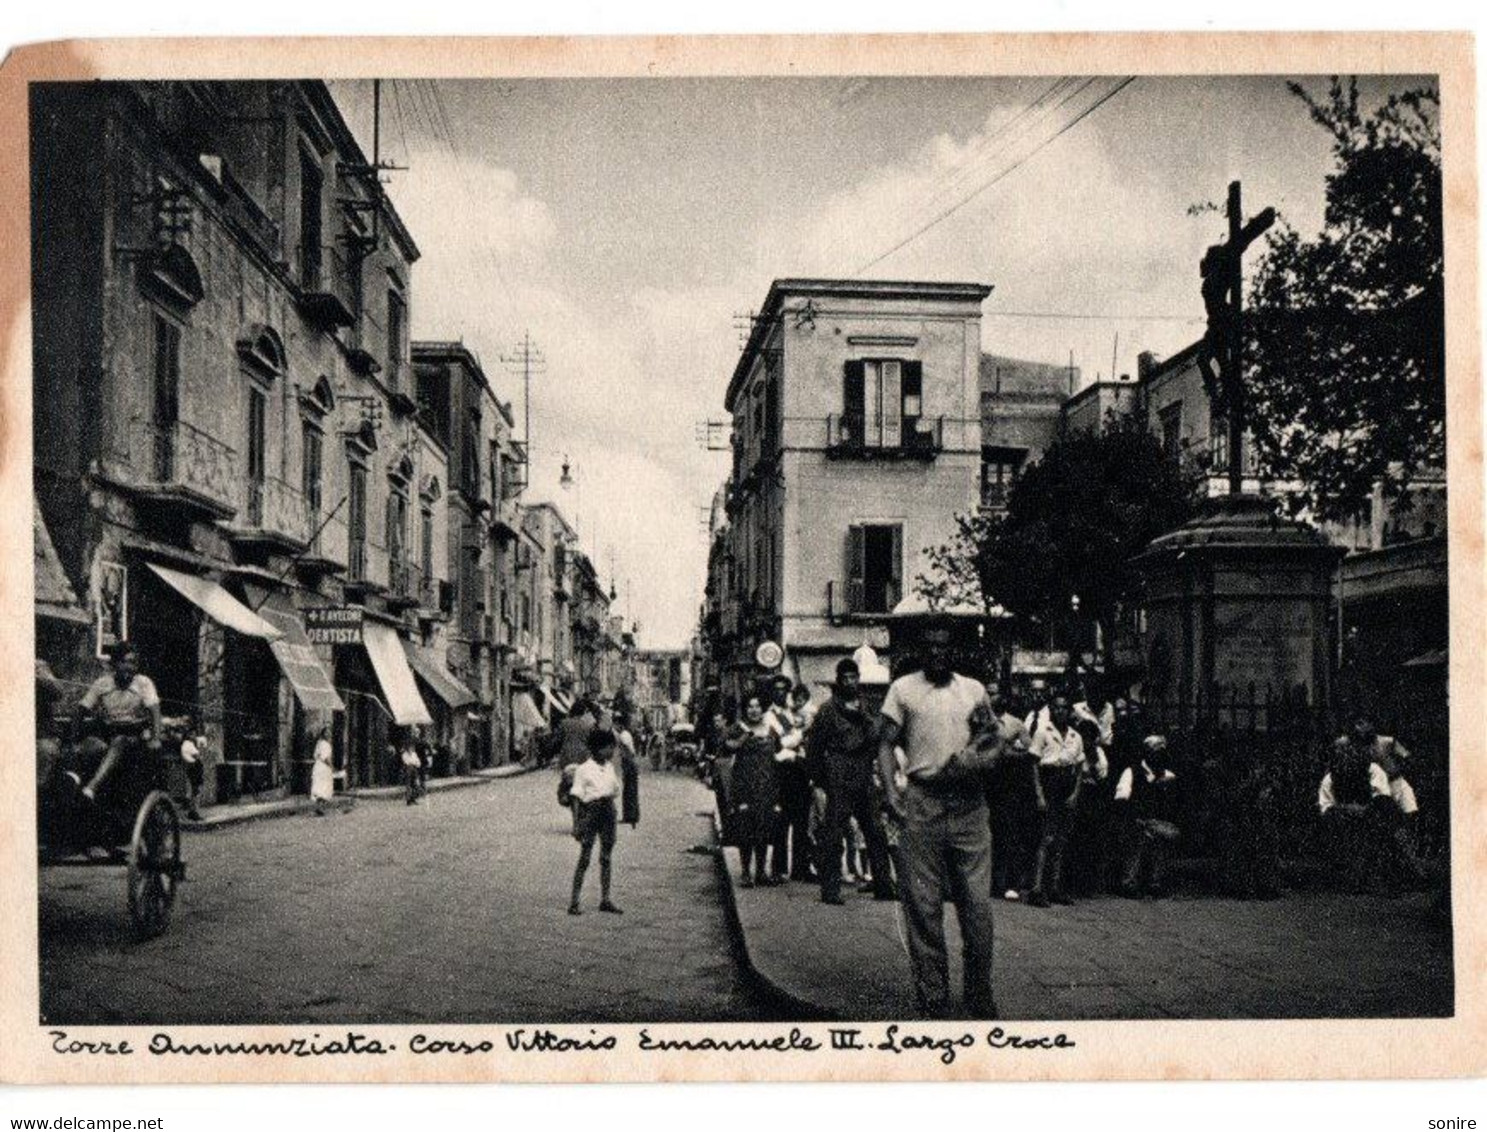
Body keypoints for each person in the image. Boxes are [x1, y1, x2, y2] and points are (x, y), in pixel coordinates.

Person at [879, 625, 1000, 1020]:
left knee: (977, 905)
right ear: (920, 651)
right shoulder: (902, 690)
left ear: (954, 652)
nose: (938, 655)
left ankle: (979, 992)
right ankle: (934, 994)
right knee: (923, 905)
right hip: (924, 802)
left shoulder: (973, 690)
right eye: (930, 648)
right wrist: (892, 793)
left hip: (969, 804)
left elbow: (991, 739)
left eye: (944, 648)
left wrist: (979, 758)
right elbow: (885, 743)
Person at [807, 658, 895, 905]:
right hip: (840, 773)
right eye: (845, 678)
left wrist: (866, 717)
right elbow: (814, 747)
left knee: (876, 832)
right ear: (838, 681)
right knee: (834, 835)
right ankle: (831, 890)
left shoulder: (866, 706)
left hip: (864, 774)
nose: (850, 682)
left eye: (854, 677)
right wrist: (823, 778)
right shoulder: (828, 710)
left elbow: (877, 736)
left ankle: (883, 886)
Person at [1318, 725, 1425, 892]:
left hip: (1370, 810)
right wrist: (1346, 808)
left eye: (1350, 752)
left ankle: (1407, 871)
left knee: (1387, 814)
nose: (1346, 755)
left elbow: (1381, 796)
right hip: (1344, 813)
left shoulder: (1374, 769)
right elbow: (1326, 806)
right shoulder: (1330, 777)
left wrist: (1365, 809)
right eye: (1341, 753)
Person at [72, 642, 162, 804]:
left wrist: (156, 738)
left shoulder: (143, 683)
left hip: (135, 736)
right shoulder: (102, 683)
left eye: (133, 662)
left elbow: (155, 712)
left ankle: (92, 787)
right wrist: (75, 741)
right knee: (88, 747)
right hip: (109, 733)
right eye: (125, 662)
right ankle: (74, 785)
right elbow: (80, 710)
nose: (130, 667)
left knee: (120, 741)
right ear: (115, 664)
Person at [1026, 694, 1085, 908]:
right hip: (1049, 782)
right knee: (1046, 838)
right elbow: (1033, 764)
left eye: (1064, 708)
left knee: (1061, 839)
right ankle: (1036, 889)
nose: (1060, 712)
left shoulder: (1075, 736)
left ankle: (1054, 887)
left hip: (1066, 784)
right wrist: (1039, 793)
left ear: (1069, 711)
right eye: (1056, 708)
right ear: (1051, 710)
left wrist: (1075, 793)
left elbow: (1079, 767)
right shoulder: (1043, 732)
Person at [723, 693, 784, 888]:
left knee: (763, 830)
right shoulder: (738, 728)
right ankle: (745, 872)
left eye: (758, 706)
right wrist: (744, 736)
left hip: (767, 786)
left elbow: (779, 752)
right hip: (744, 786)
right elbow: (728, 746)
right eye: (750, 706)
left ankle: (761, 872)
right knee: (745, 830)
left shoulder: (770, 730)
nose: (754, 710)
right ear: (745, 709)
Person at [1114, 735, 1182, 898]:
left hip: (1157, 821)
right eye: (1155, 752)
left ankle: (1155, 882)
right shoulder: (1132, 772)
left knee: (1164, 836)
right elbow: (1122, 800)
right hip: (1136, 820)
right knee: (1140, 835)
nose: (1159, 756)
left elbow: (1173, 806)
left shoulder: (1169, 776)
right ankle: (1129, 882)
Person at [986, 685, 1036, 901]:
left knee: (1007, 834)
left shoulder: (1015, 724)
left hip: (1006, 785)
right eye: (989, 692)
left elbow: (1029, 751)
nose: (992, 696)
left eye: (996, 692)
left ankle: (1007, 882)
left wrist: (1007, 753)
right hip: (984, 783)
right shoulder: (978, 721)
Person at [568, 728, 624, 915]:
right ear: (598, 748)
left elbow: (615, 790)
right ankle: (574, 901)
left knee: (606, 857)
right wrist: (576, 823)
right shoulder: (583, 769)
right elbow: (576, 797)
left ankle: (605, 899)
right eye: (609, 748)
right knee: (585, 857)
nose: (612, 751)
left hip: (608, 811)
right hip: (591, 812)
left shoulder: (609, 767)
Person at [766, 675, 813, 882]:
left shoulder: (793, 713)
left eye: (784, 689)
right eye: (776, 689)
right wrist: (800, 734)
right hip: (781, 771)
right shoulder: (769, 716)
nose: (781, 693)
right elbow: (781, 743)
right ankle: (779, 868)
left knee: (801, 821)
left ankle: (800, 867)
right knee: (781, 821)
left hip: (799, 770)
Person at [310, 726, 335, 817]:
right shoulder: (325, 744)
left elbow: (315, 755)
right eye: (327, 732)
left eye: (330, 732)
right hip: (323, 768)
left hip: (318, 766)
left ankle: (319, 807)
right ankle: (320, 808)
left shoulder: (319, 743)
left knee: (319, 787)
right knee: (323, 787)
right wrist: (331, 766)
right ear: (323, 734)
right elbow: (326, 758)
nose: (329, 734)